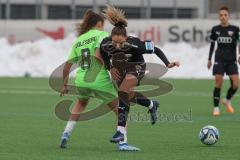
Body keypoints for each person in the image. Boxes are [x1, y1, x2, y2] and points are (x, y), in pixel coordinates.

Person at [100, 5, 180, 149]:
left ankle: (120, 131)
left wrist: (168, 63)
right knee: (128, 96)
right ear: (110, 38)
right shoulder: (106, 43)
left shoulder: (135, 44)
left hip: (137, 68)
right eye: (114, 42)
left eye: (121, 42)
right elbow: (103, 54)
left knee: (123, 92)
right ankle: (151, 104)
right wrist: (110, 67)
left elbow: (156, 49)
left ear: (126, 38)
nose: (117, 46)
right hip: (120, 70)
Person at [59, 10, 119, 149]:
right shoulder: (102, 35)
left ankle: (66, 133)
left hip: (81, 80)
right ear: (99, 24)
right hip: (99, 80)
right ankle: (122, 142)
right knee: (121, 111)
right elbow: (104, 55)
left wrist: (64, 85)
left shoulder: (78, 40)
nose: (103, 28)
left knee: (80, 103)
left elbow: (66, 67)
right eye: (102, 25)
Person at [208, 6, 240, 116]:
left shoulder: (236, 29)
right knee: (218, 82)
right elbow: (212, 45)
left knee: (236, 84)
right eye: (221, 15)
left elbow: (239, 43)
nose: (223, 17)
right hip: (219, 59)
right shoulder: (215, 29)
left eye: (225, 15)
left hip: (231, 60)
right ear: (219, 16)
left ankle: (227, 100)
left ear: (228, 16)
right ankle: (216, 108)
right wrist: (209, 59)